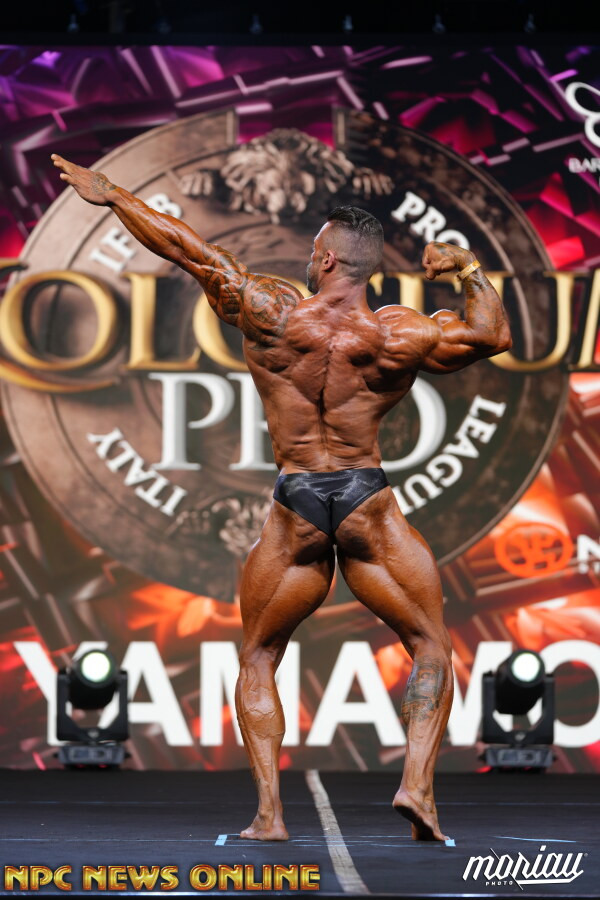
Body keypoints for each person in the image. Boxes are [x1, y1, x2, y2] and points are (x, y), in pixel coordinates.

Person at [51, 154, 512, 842]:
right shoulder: (401, 333)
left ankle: (269, 816)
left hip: (297, 501)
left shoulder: (271, 312)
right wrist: (468, 268)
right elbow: (492, 334)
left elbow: (187, 248)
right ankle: (417, 789)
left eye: (313, 250)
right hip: (365, 498)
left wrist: (114, 195)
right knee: (429, 645)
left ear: (325, 260)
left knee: (260, 655)